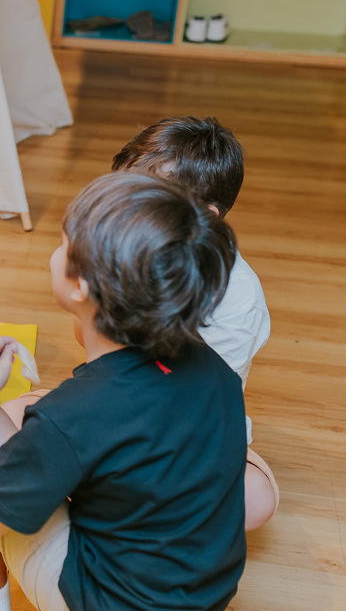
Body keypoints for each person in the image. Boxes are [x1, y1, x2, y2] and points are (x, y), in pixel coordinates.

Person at [0, 174, 247, 611]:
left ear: (81, 288)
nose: (57, 250)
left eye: (64, 242)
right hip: (202, 599)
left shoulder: (75, 413)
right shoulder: (214, 370)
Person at [111, 116, 276, 530]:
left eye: (144, 197)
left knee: (255, 498)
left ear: (203, 215)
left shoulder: (237, 299)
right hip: (114, 409)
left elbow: (192, 401)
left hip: (192, 432)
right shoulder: (123, 252)